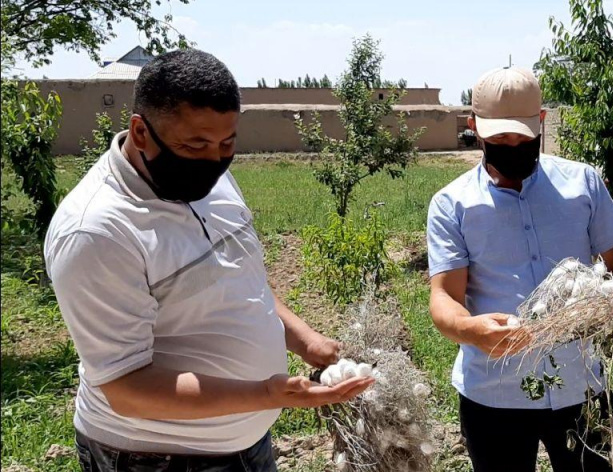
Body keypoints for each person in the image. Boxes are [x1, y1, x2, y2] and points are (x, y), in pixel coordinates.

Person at [44, 49, 374, 471]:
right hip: (158, 457)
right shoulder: (98, 231)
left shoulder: (211, 176)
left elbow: (238, 279)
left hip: (245, 442)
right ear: (141, 132)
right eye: (195, 144)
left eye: (227, 142)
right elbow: (126, 388)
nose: (214, 159)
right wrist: (268, 394)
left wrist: (305, 340)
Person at [426, 67, 613, 471]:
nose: (512, 145)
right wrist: (471, 330)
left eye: (522, 136)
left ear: (540, 121)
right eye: (499, 138)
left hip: (582, 384)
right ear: (474, 127)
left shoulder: (583, 183)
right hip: (495, 393)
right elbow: (445, 297)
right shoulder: (451, 204)